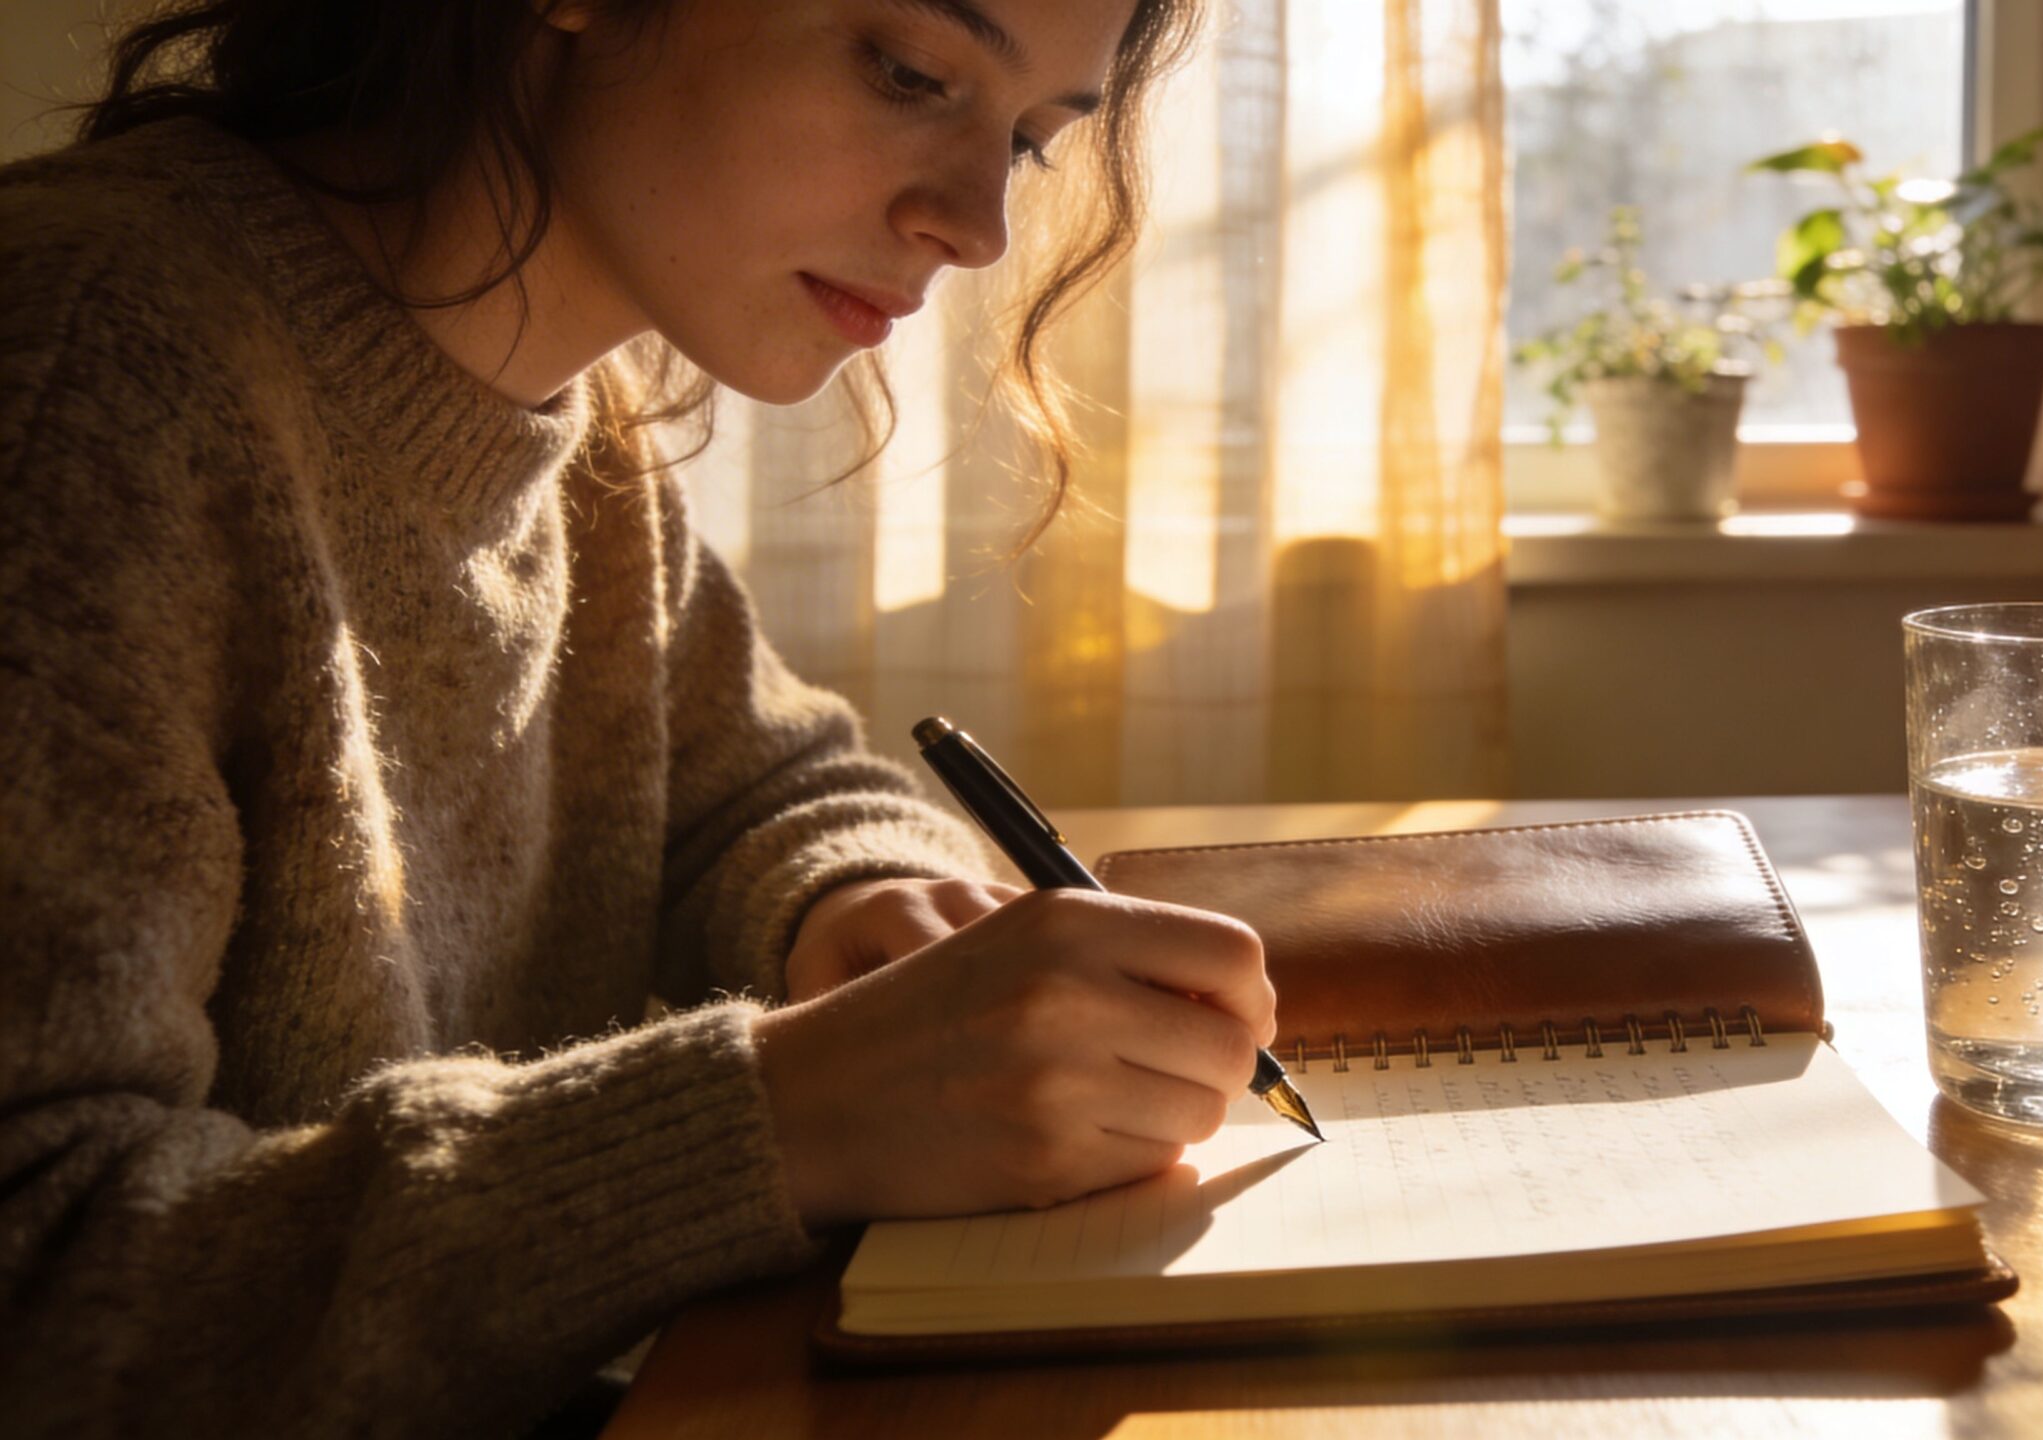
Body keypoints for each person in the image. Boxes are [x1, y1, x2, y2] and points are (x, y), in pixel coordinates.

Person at [0, 1, 1278, 1433]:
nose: (978, 226)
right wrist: (780, 1119)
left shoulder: (576, 418)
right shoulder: (77, 370)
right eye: (912, 73)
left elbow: (756, 787)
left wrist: (854, 898)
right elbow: (39, 1285)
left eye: (1034, 143)